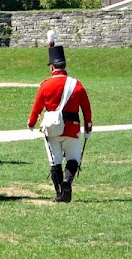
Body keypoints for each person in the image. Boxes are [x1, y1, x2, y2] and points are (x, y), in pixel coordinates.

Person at [28, 40, 92, 203]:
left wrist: (31, 123)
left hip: (52, 129)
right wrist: (88, 125)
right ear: (64, 66)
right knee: (73, 159)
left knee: (55, 160)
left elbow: (37, 108)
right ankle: (67, 182)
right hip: (72, 128)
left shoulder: (45, 85)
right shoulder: (76, 84)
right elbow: (86, 108)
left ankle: (59, 193)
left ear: (52, 68)